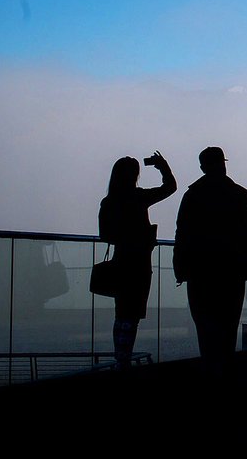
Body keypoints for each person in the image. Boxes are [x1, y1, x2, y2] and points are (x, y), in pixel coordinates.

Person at [173, 146, 247, 376]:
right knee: (228, 327)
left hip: (200, 273)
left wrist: (181, 269)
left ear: (202, 167)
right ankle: (225, 373)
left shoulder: (192, 195)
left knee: (205, 327)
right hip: (233, 273)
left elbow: (182, 235)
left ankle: (210, 372)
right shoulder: (241, 195)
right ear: (223, 163)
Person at [98, 151, 176, 370]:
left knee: (121, 312)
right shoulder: (139, 198)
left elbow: (105, 235)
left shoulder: (109, 202)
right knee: (132, 315)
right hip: (140, 264)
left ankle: (121, 356)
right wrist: (162, 166)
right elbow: (170, 187)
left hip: (120, 261)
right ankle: (124, 358)